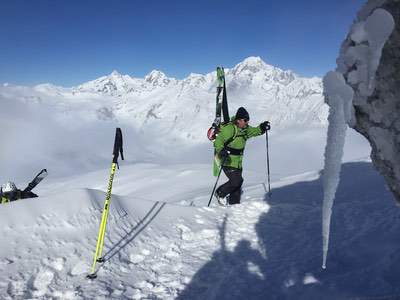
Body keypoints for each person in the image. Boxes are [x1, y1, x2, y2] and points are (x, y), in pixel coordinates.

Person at [214, 107, 270, 205]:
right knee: (236, 181)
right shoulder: (230, 129)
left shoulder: (245, 129)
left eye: (247, 120)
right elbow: (219, 141)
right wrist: (221, 151)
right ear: (238, 120)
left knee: (238, 185)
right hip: (227, 160)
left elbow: (255, 131)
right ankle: (220, 193)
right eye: (245, 120)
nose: (247, 122)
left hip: (238, 162)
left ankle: (234, 205)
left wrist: (262, 127)